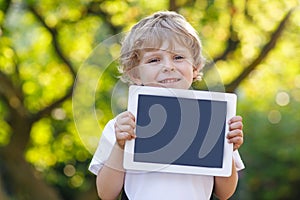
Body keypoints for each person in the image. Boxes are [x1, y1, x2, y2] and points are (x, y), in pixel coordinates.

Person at [89, 11, 245, 200]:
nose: (168, 67)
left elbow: (225, 192)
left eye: (178, 57)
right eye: (154, 60)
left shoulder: (213, 122)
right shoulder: (121, 127)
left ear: (194, 68)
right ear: (134, 74)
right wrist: (121, 146)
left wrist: (226, 150)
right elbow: (106, 194)